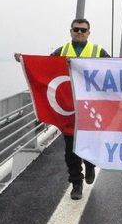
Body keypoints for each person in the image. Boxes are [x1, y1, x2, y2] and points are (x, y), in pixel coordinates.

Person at [15, 18, 110, 200]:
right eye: (76, 29)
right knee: (70, 149)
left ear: (89, 33)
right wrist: (24, 60)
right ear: (71, 31)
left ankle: (90, 165)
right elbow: (43, 68)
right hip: (68, 109)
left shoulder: (99, 52)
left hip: (90, 109)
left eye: (83, 30)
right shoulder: (61, 51)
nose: (80, 32)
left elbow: (113, 70)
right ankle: (76, 182)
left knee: (89, 144)